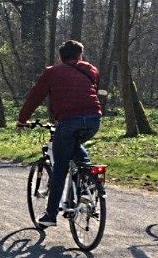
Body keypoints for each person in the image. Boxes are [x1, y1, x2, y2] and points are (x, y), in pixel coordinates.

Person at [16, 39, 103, 227]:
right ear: (80, 55)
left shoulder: (52, 72)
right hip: (94, 120)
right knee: (75, 147)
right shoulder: (91, 70)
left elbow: (35, 97)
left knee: (60, 167)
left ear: (60, 57)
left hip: (68, 121)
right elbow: (91, 92)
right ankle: (87, 183)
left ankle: (50, 215)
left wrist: (22, 119)